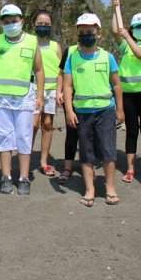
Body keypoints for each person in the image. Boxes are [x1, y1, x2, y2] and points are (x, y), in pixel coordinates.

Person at [0, 4, 45, 195]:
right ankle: (6, 176)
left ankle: (24, 177)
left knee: (24, 136)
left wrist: (40, 96)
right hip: (2, 99)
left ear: (21, 21)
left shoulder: (31, 41)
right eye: (6, 22)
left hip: (25, 98)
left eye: (14, 21)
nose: (10, 24)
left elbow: (39, 70)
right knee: (4, 137)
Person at [61, 13, 124, 207]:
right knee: (86, 152)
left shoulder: (108, 57)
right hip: (82, 112)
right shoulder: (72, 58)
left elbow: (116, 84)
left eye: (90, 31)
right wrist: (69, 111)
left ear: (99, 33)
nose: (86, 35)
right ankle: (90, 189)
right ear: (77, 34)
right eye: (82, 32)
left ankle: (110, 188)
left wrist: (120, 109)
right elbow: (68, 86)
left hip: (106, 110)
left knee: (108, 151)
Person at [111, 1, 141, 184]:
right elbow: (116, 30)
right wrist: (116, 9)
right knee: (131, 130)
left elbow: (140, 54)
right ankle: (130, 169)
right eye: (137, 27)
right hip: (128, 93)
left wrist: (128, 37)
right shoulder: (126, 46)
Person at [31, 9, 62, 177]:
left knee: (48, 125)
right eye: (40, 24)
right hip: (34, 92)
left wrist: (59, 92)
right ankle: (25, 158)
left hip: (51, 93)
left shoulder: (55, 47)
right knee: (33, 125)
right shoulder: (30, 45)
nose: (43, 27)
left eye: (46, 24)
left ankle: (44, 161)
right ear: (33, 25)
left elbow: (60, 72)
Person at [56, 46, 80, 184]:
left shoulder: (99, 51)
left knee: (88, 134)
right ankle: (67, 167)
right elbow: (61, 73)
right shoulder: (70, 50)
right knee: (71, 131)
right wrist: (59, 92)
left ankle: (88, 167)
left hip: (90, 98)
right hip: (71, 95)